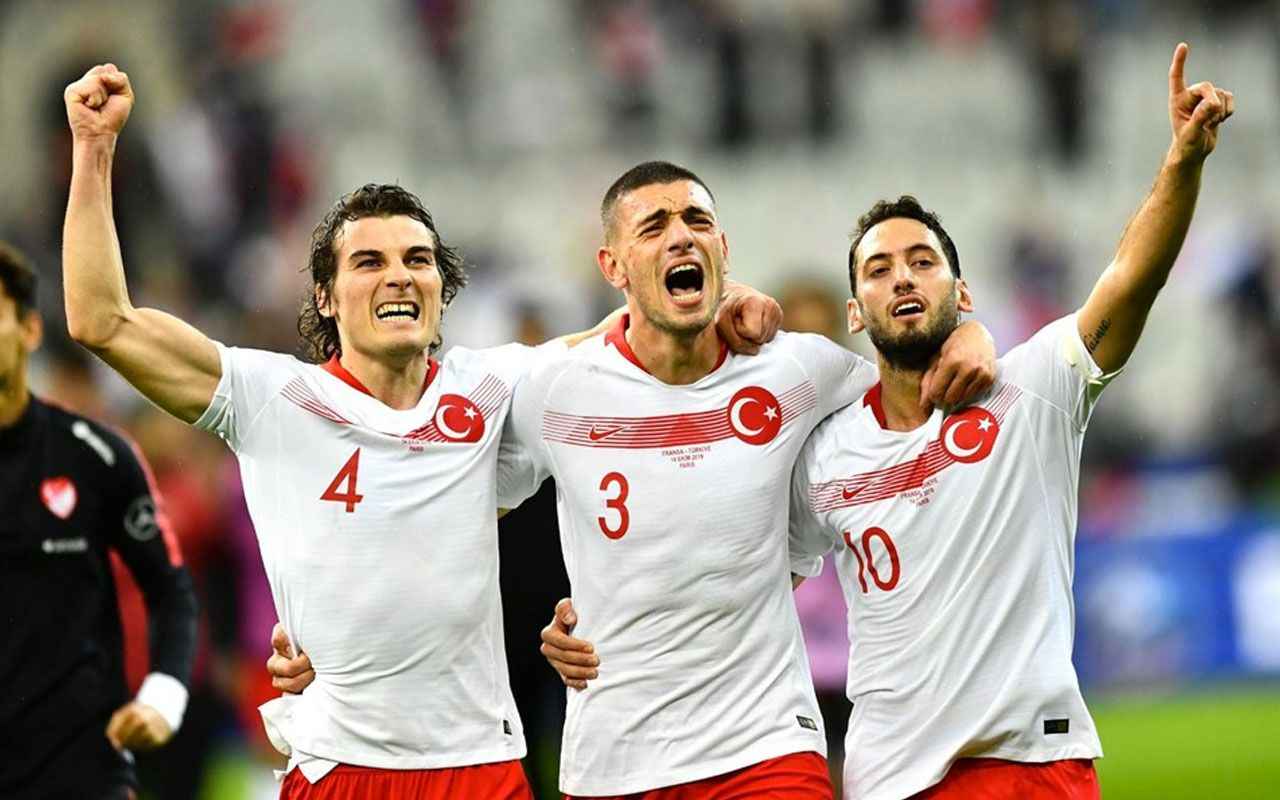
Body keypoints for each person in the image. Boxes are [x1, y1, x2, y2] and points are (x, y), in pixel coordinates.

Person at [61, 65, 777, 800]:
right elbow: (101, 320)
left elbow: (635, 332)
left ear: (442, 289)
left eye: (419, 261)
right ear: (325, 296)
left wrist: (727, 302)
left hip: (479, 766)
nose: (400, 276)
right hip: (339, 767)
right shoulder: (272, 398)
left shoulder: (491, 387)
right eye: (369, 262)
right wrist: (94, 148)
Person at [784, 43, 1232, 800]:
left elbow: (1131, 279)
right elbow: (741, 573)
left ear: (963, 295)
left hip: (1029, 765)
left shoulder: (1032, 390)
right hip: (886, 778)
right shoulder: (825, 454)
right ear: (856, 312)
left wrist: (1182, 163)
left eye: (923, 260)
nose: (902, 275)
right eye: (879, 268)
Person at [509, 161, 997, 798]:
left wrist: (972, 336)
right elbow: (452, 491)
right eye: (654, 227)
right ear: (613, 266)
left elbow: (912, 384)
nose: (681, 236)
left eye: (697, 221)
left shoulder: (799, 371)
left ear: (723, 247)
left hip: (766, 748)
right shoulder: (555, 389)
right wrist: (545, 615)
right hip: (614, 756)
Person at [0, 241, 196, 800]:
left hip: (82, 769)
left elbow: (171, 591)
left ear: (30, 330)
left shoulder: (94, 456)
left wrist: (163, 697)